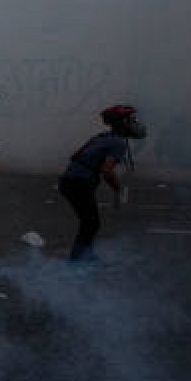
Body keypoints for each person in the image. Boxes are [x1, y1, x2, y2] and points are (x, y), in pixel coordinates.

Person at [59, 105, 146, 263]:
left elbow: (75, 155)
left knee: (89, 221)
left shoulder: (100, 137)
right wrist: (118, 189)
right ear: (122, 123)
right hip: (79, 183)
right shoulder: (118, 143)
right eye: (131, 120)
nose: (134, 123)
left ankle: (84, 256)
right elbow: (107, 171)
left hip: (69, 180)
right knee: (91, 222)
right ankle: (78, 259)